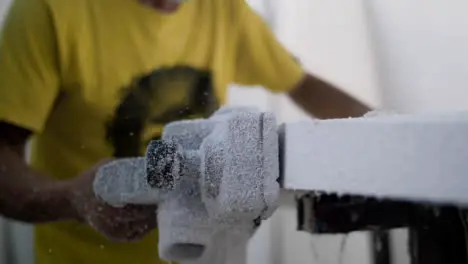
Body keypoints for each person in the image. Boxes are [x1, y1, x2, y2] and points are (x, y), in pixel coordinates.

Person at [0, 0, 371, 263]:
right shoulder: (49, 10)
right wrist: (71, 198)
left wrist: (382, 132)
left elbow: (301, 84)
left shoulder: (224, 10)